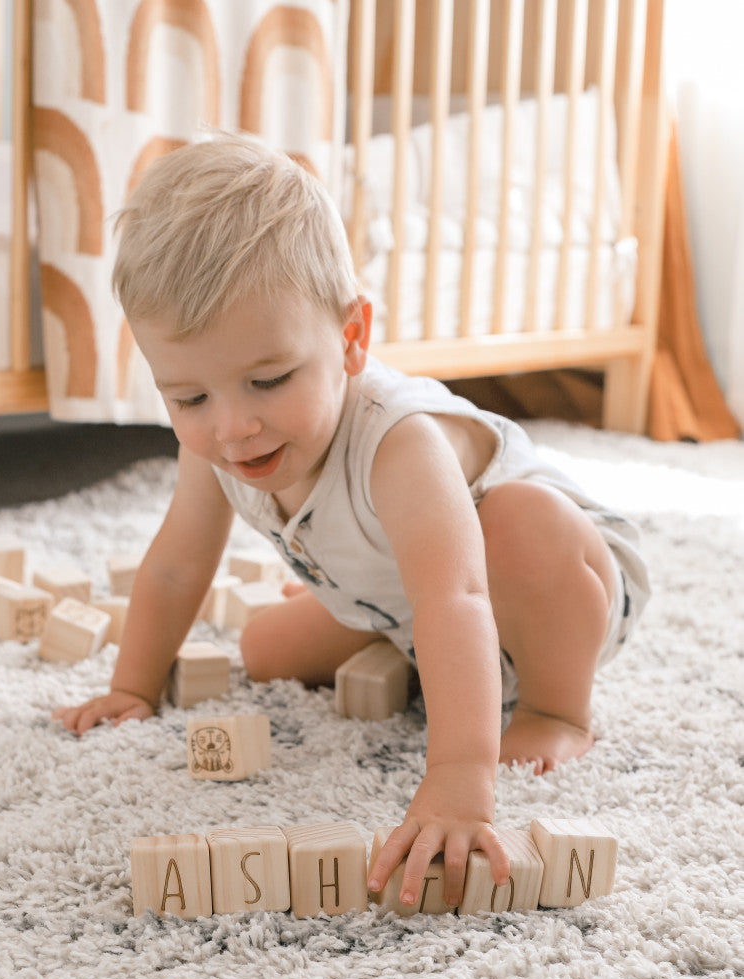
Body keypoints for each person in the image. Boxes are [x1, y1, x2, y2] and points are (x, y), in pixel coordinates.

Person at [53, 134, 649, 910]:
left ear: (351, 338)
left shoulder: (399, 444)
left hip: (558, 592)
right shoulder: (219, 444)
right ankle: (397, 649)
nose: (232, 427)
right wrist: (131, 686)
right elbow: (175, 564)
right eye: (189, 398)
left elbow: (457, 598)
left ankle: (554, 707)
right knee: (264, 649)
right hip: (408, 604)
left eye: (269, 380)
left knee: (520, 521)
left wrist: (457, 783)